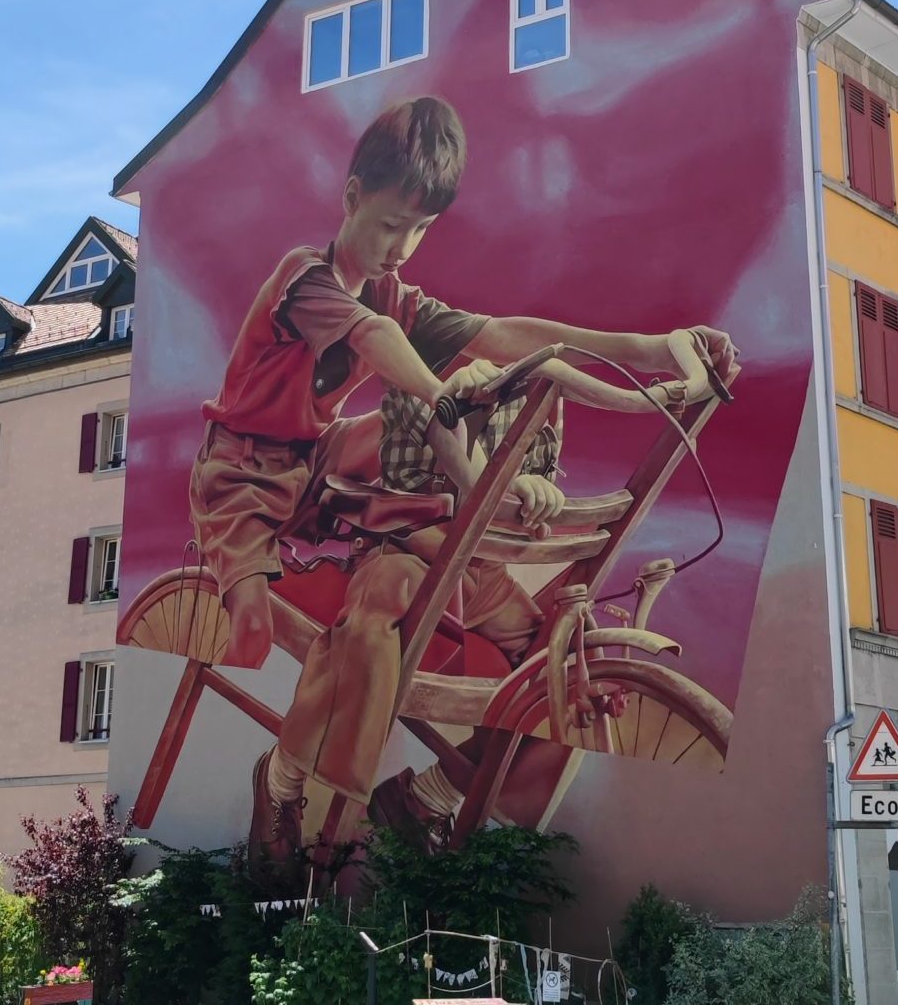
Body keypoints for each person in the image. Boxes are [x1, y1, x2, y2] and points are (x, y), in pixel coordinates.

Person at [187, 95, 736, 877]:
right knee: (262, 615)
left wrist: (652, 347)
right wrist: (443, 394)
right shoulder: (303, 278)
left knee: (515, 591)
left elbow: (508, 334)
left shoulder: (395, 293)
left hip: (321, 463)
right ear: (349, 200)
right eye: (388, 225)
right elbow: (373, 341)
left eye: (418, 231)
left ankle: (433, 792)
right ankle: (281, 780)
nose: (400, 247)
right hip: (242, 479)